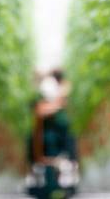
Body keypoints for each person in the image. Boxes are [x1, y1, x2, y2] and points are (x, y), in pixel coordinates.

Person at [26, 69, 79, 199]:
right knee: (47, 155)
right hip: (48, 137)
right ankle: (51, 186)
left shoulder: (62, 92)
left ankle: (57, 185)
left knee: (63, 155)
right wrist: (56, 105)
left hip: (58, 136)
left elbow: (66, 89)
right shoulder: (43, 99)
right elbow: (40, 111)